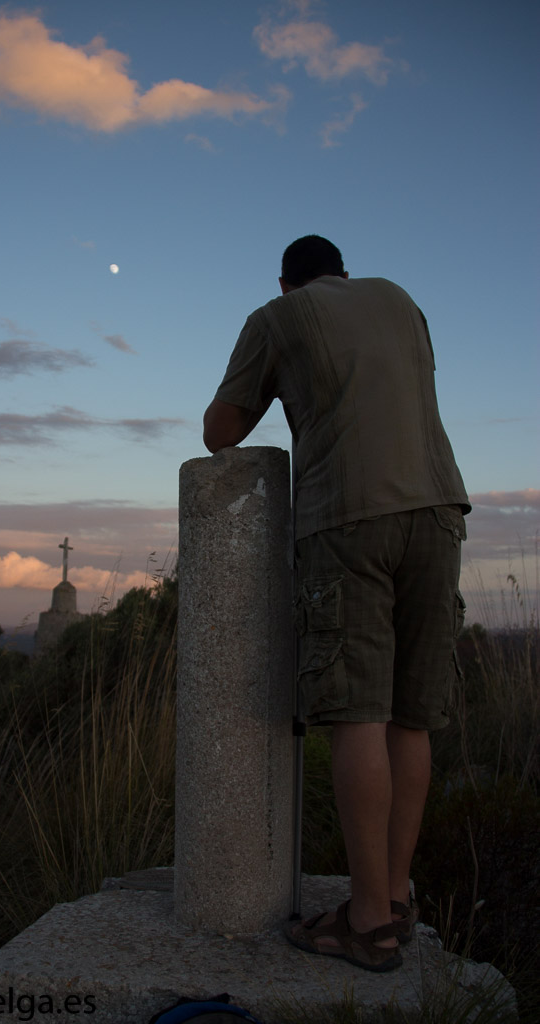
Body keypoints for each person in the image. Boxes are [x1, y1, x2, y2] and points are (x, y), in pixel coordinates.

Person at [203, 235, 470, 972]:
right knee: (410, 718)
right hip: (440, 509)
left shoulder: (276, 316)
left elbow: (220, 431)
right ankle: (393, 898)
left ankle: (365, 925)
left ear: (286, 283)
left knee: (357, 713)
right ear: (343, 272)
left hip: (348, 516)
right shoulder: (400, 301)